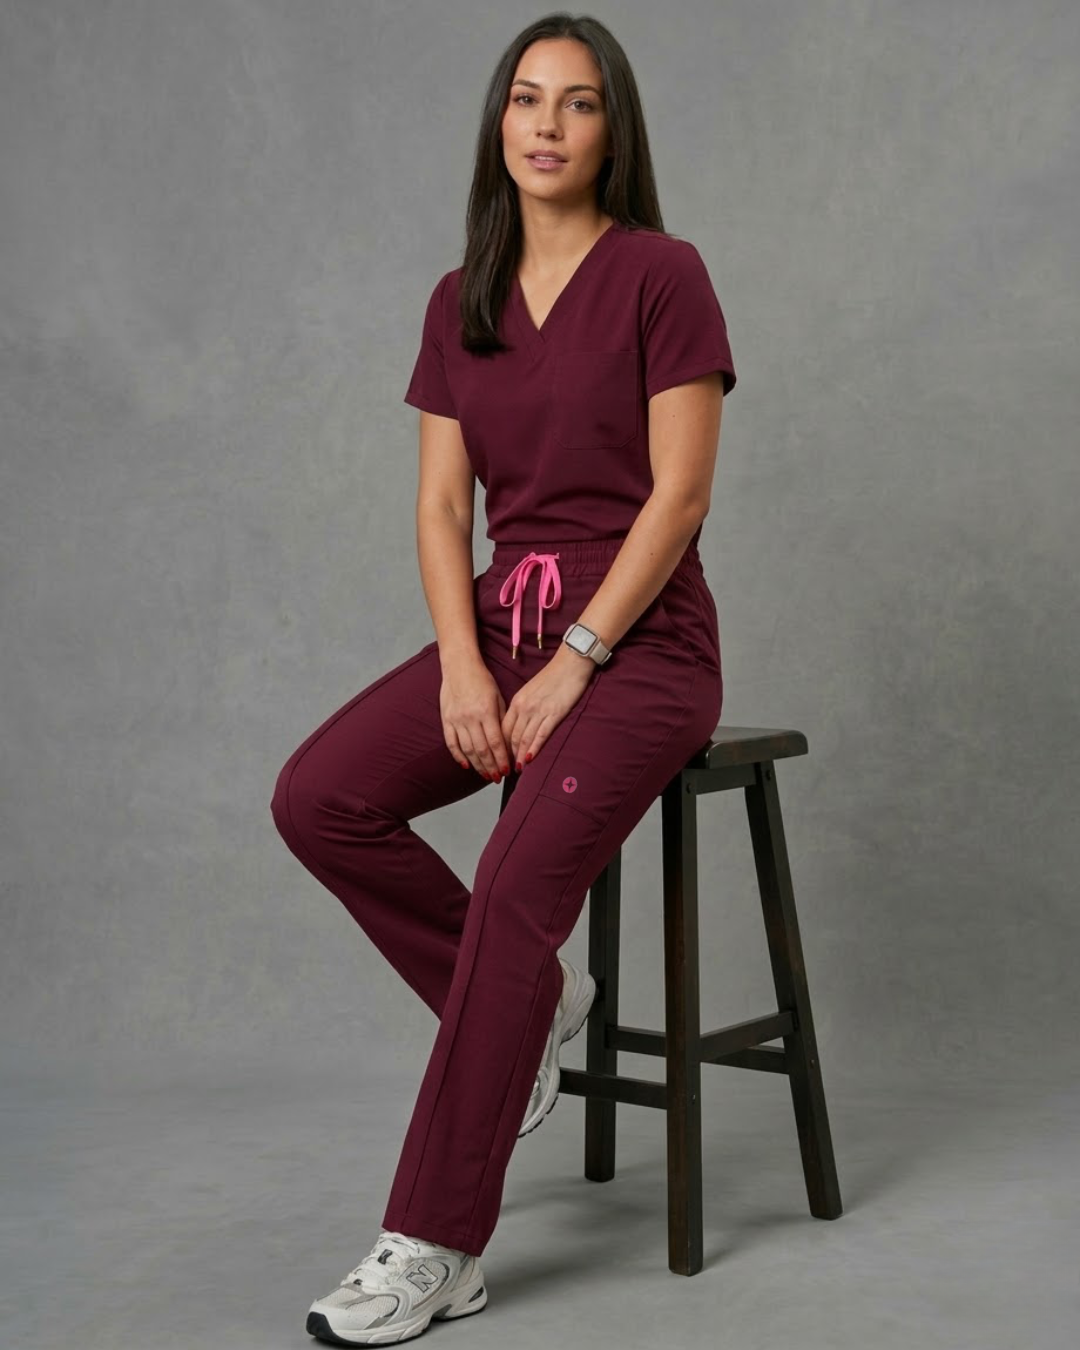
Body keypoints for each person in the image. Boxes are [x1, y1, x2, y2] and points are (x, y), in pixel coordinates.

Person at [271, 12, 736, 1345]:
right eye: (526, 98)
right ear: (499, 123)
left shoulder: (662, 274)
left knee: (517, 882)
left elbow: (681, 496)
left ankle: (435, 1244)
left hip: (643, 639)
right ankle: (534, 1009)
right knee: (319, 797)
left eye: (577, 102)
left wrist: (579, 659)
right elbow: (440, 508)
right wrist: (465, 670)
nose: (546, 124)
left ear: (613, 131)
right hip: (504, 621)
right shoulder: (459, 297)